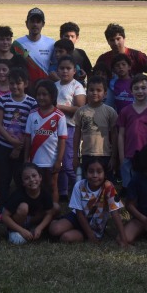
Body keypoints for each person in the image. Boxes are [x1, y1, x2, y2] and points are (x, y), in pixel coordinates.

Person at [48, 158, 127, 246]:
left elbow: (115, 213)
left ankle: (74, 232)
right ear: (85, 173)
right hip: (77, 218)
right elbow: (79, 213)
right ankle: (54, 221)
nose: (95, 175)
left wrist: (124, 240)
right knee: (55, 229)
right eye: (91, 171)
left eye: (99, 172)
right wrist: (91, 237)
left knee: (66, 238)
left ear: (105, 174)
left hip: (95, 226)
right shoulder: (79, 185)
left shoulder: (109, 187)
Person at [0, 68, 37, 208]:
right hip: (3, 146)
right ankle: (3, 205)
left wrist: (18, 147)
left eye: (18, 83)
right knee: (4, 176)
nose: (14, 86)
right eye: (11, 83)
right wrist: (11, 141)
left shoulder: (32, 103)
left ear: (25, 84)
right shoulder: (3, 100)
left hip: (22, 147)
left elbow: (30, 128)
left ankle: (21, 202)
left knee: (20, 177)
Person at [24, 79, 67, 205]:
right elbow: (27, 137)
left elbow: (62, 140)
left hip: (51, 160)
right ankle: (38, 209)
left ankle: (53, 211)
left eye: (45, 94)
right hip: (35, 160)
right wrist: (26, 157)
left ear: (52, 96)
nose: (41, 97)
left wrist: (59, 160)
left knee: (52, 185)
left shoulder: (59, 116)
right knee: (35, 186)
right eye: (38, 94)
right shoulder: (32, 115)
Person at [116, 74, 147, 189]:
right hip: (129, 154)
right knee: (129, 186)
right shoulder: (125, 111)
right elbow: (121, 135)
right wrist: (121, 157)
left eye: (143, 88)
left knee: (145, 185)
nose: (140, 91)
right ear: (131, 91)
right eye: (136, 88)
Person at [2, 163, 58, 244]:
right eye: (27, 178)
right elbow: (4, 216)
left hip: (33, 219)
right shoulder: (17, 195)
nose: (31, 180)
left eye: (34, 176)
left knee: (55, 207)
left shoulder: (45, 192)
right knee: (23, 207)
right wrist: (21, 230)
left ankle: (39, 230)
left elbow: (49, 213)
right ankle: (15, 232)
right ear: (22, 183)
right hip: (19, 220)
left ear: (40, 177)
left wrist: (40, 228)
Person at [72, 75, 118, 175]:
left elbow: (114, 135)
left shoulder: (110, 112)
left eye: (98, 90)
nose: (94, 93)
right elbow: (76, 135)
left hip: (105, 154)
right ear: (86, 92)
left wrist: (114, 157)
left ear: (105, 94)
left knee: (106, 183)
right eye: (91, 90)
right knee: (88, 183)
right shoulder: (81, 112)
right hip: (87, 154)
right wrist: (75, 156)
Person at [54, 55, 85, 199]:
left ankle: (81, 189)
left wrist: (58, 107)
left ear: (74, 71)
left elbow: (80, 108)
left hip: (70, 128)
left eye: (68, 68)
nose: (65, 71)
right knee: (58, 161)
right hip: (54, 128)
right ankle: (63, 192)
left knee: (68, 163)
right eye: (62, 68)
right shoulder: (55, 86)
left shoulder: (77, 86)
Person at [13, 8, 55, 88]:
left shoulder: (51, 43)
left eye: (38, 21)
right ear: (26, 23)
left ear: (43, 24)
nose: (35, 24)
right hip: (25, 88)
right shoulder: (17, 44)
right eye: (32, 21)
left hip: (45, 89)